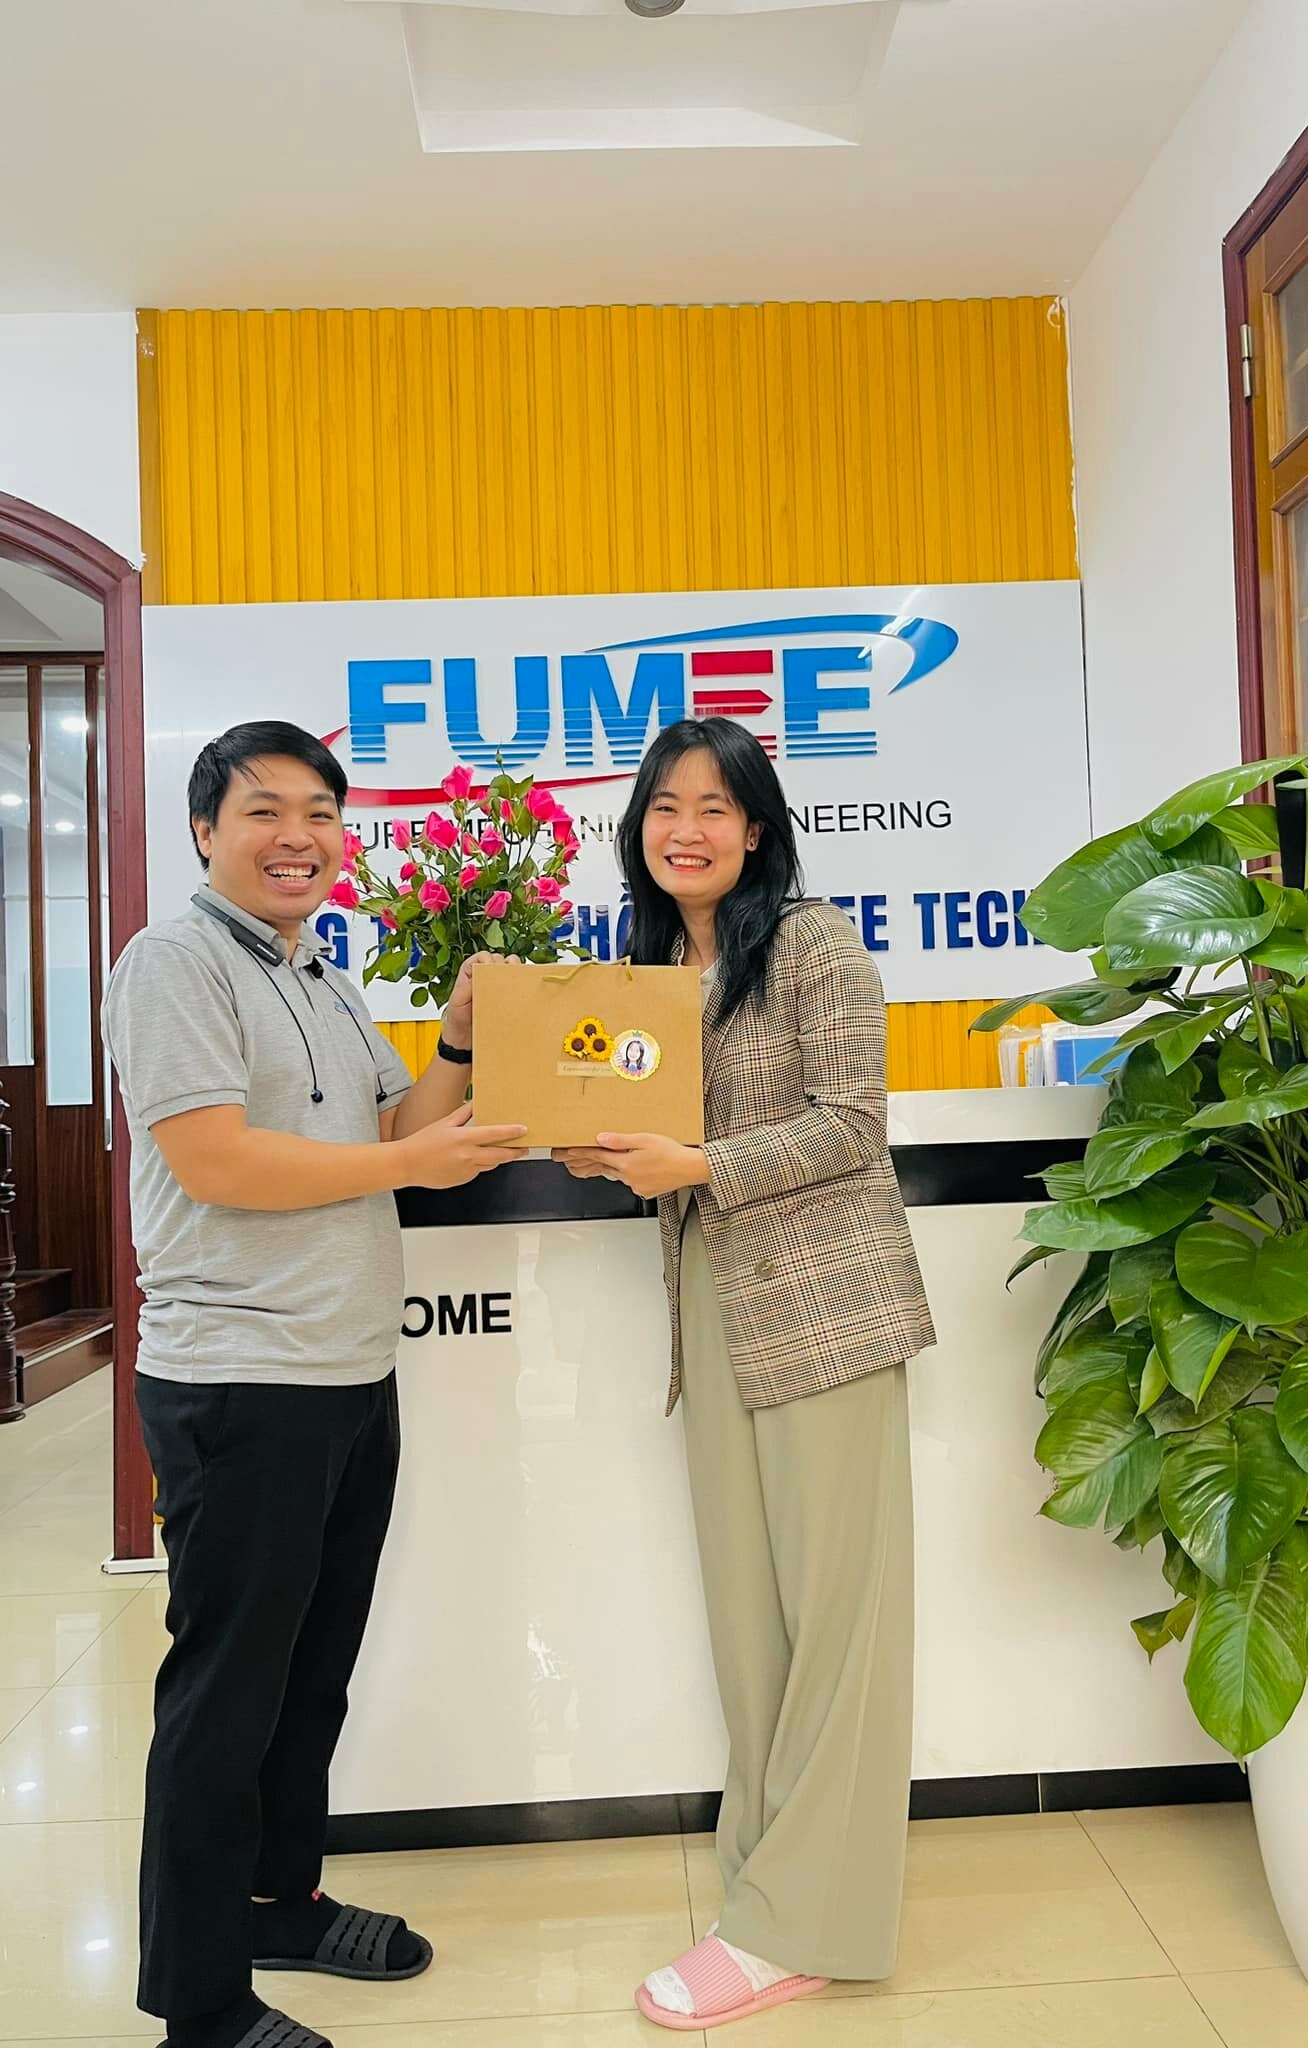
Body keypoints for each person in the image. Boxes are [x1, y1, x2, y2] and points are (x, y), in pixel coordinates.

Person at [101, 721, 527, 2048]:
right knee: (226, 1694)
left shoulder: (320, 975)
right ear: (204, 832)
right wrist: (405, 1167)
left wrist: (459, 1041)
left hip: (347, 1371)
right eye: (264, 811)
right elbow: (217, 1159)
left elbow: (395, 1125)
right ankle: (199, 2002)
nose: (298, 837)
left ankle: (279, 1901)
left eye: (321, 814)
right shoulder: (172, 964)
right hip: (241, 1381)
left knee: (309, 1676)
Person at [555, 717, 935, 2032]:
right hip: (710, 1308)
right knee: (749, 1622)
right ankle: (768, 1884)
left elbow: (854, 1127)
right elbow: (658, 1140)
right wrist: (617, 1155)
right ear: (639, 829)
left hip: (827, 1311)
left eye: (715, 807)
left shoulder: (814, 945)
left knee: (838, 1623)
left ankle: (801, 1927)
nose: (688, 829)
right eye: (665, 806)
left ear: (757, 829)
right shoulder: (649, 968)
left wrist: (699, 1165)